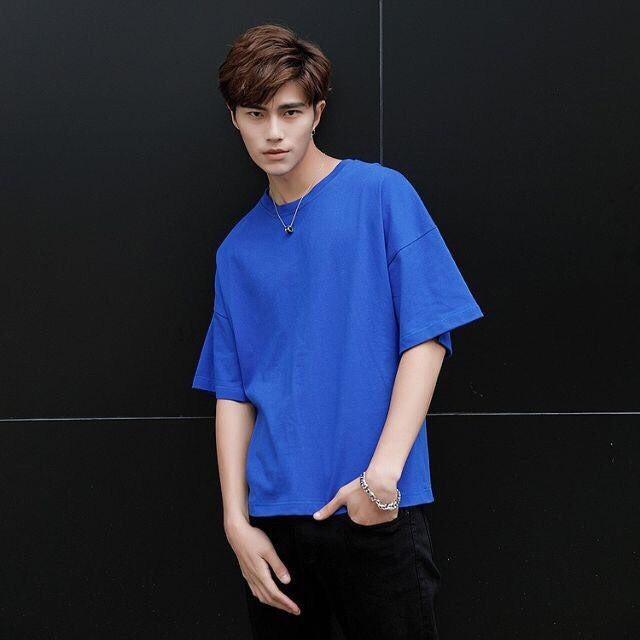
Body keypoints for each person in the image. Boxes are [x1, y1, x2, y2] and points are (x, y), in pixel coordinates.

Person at [192, 23, 484, 639]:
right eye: (255, 114)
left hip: (373, 510)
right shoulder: (236, 251)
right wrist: (236, 521)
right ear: (235, 120)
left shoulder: (380, 195)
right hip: (275, 526)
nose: (273, 132)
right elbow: (233, 391)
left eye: (290, 111)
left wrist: (382, 479)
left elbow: (427, 338)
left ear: (317, 113)